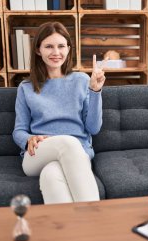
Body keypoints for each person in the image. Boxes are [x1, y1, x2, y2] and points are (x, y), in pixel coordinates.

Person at [12, 22, 106, 204]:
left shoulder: (81, 80)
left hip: (77, 154)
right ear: (38, 50)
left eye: (61, 46)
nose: (56, 52)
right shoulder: (26, 88)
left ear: (68, 49)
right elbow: (19, 131)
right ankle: (96, 218)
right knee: (68, 142)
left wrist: (95, 91)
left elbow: (93, 128)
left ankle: (70, 232)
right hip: (37, 154)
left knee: (51, 175)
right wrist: (28, 139)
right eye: (49, 46)